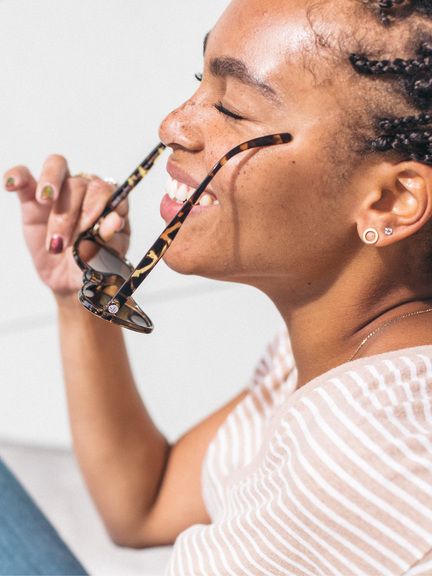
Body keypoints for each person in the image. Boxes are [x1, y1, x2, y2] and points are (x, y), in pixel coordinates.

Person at [3, 0, 432, 573]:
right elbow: (146, 505)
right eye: (198, 80)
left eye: (233, 107)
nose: (173, 125)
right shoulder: (345, 349)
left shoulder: (361, 453)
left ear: (392, 200)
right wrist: (82, 290)